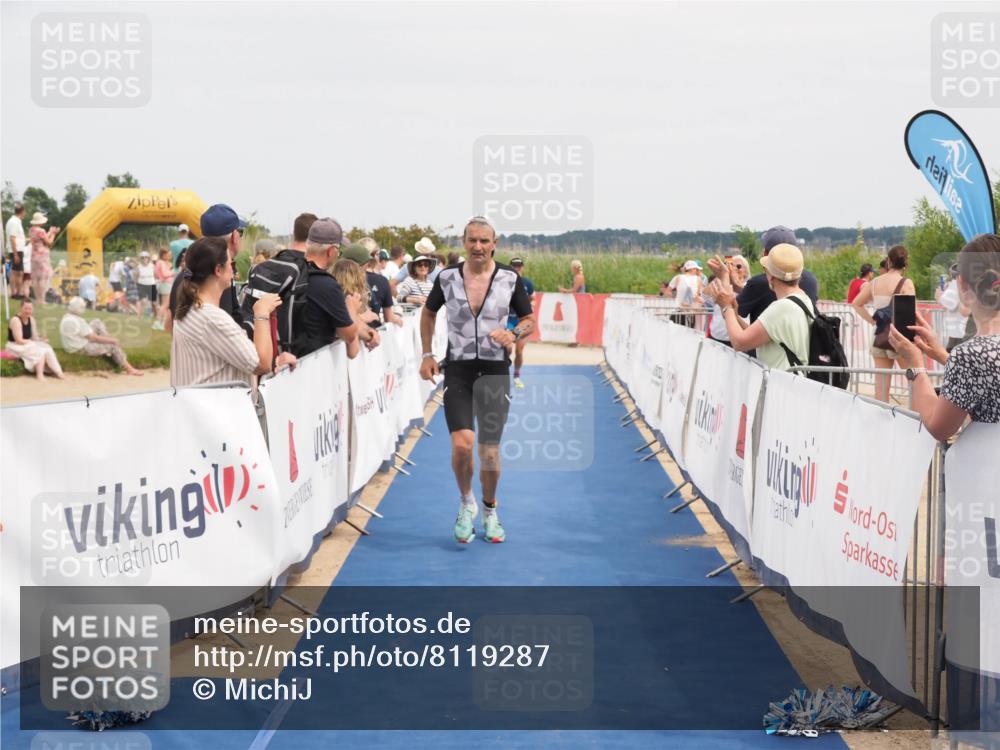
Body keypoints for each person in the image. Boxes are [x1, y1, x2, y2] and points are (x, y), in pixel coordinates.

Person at [419, 216, 535, 544]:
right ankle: (466, 501)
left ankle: (489, 509)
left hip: (495, 372)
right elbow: (428, 313)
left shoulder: (509, 279)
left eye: (485, 241)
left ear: (494, 244)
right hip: (458, 369)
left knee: (489, 452)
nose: (478, 247)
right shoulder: (446, 278)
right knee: (461, 444)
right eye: (473, 240)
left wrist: (513, 333)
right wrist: (427, 354)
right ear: (464, 242)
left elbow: (529, 320)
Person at [888, 234, 1000, 440]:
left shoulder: (970, 356)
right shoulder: (974, 356)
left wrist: (915, 366)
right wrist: (941, 354)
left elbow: (938, 426)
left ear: (963, 285)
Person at [170, 237, 282, 388]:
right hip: (218, 409)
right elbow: (262, 364)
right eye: (231, 264)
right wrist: (261, 313)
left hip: (195, 407)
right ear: (218, 270)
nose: (234, 270)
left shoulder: (188, 309)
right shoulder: (213, 319)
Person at [706, 243, 814, 373]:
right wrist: (733, 314)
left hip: (780, 385)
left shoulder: (781, 308)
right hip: (791, 383)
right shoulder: (803, 299)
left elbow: (739, 343)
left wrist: (727, 308)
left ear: (771, 276)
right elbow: (756, 336)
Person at [167, 203, 248, 332]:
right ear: (234, 236)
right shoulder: (218, 280)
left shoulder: (183, 276)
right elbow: (225, 333)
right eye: (241, 233)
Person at [291, 218, 364, 359]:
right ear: (331, 251)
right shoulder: (327, 285)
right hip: (313, 364)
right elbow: (349, 337)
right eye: (338, 250)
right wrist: (352, 309)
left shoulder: (294, 272)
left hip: (287, 359)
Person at [851, 244, 915, 402]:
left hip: (879, 336)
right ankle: (915, 420)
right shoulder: (906, 283)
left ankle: (880, 420)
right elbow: (911, 314)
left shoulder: (875, 282)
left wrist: (873, 321)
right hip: (899, 337)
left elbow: (856, 303)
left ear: (888, 261)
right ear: (906, 263)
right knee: (914, 380)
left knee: (881, 387)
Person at [737, 226, 819, 324]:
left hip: (765, 339)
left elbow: (737, 312)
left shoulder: (759, 283)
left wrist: (725, 281)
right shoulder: (811, 279)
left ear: (766, 254)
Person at [59, 296, 144, 376]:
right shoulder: (78, 320)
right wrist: (112, 340)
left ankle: (108, 349)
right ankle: (129, 369)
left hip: (72, 344)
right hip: (80, 348)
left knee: (96, 322)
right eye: (82, 307)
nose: (84, 309)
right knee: (112, 345)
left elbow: (88, 335)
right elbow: (93, 338)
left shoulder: (67, 316)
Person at [331, 253, 381, 355]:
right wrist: (370, 335)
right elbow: (353, 350)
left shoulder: (331, 295)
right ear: (358, 278)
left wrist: (369, 332)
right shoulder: (349, 300)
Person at [5, 300, 65, 380]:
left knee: (47, 348)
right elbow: (18, 340)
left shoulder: (31, 319)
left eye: (30, 309)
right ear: (21, 308)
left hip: (26, 344)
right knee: (40, 351)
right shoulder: (16, 320)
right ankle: (40, 375)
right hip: (14, 346)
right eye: (25, 308)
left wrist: (41, 339)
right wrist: (33, 342)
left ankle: (58, 372)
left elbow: (34, 337)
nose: (28, 311)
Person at [704, 255, 749, 346]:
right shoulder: (720, 282)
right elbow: (705, 295)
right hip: (717, 336)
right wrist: (722, 275)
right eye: (731, 266)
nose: (734, 269)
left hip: (739, 336)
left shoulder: (749, 286)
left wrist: (732, 280)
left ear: (746, 271)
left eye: (739, 266)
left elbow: (743, 291)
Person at [508, 257, 535, 388]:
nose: (516, 268)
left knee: (519, 351)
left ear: (522, 267)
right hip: (507, 320)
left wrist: (527, 308)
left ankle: (517, 375)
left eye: (519, 266)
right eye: (514, 266)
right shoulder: (504, 282)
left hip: (521, 321)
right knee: (506, 349)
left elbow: (532, 299)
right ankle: (501, 374)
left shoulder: (527, 283)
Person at [937, 263, 972, 352]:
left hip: (963, 336)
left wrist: (940, 298)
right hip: (957, 335)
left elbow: (964, 311)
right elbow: (949, 306)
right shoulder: (955, 288)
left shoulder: (967, 289)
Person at [29, 212, 60, 302]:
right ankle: (41, 299)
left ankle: (38, 298)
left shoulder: (32, 230)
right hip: (42, 256)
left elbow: (43, 239)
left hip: (34, 256)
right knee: (43, 278)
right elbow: (49, 243)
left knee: (36, 278)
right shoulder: (41, 231)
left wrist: (50, 232)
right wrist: (53, 233)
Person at [669, 260, 705, 328]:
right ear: (692, 269)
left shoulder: (678, 277)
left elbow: (668, 292)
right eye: (696, 269)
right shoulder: (698, 279)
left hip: (677, 310)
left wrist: (677, 298)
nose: (697, 271)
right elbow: (700, 295)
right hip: (690, 312)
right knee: (688, 334)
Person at [6, 203, 26, 299]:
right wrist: (15, 254)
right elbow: (12, 238)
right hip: (16, 250)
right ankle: (17, 292)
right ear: (22, 211)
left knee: (16, 271)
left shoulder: (15, 221)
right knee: (17, 272)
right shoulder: (14, 222)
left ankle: (15, 292)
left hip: (17, 249)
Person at [152, 247, 175, 330]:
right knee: (165, 305)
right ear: (163, 254)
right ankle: (158, 322)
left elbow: (156, 273)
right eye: (168, 254)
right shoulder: (161, 262)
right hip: (165, 284)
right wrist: (173, 273)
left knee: (165, 305)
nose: (169, 256)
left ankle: (161, 322)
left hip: (165, 284)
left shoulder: (160, 262)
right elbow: (165, 274)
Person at [136, 251, 156, 316]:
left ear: (148, 258)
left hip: (151, 284)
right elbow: (136, 276)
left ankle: (155, 314)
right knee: (143, 301)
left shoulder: (152, 266)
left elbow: (156, 275)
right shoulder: (138, 266)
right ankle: (139, 316)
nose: (144, 259)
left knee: (153, 302)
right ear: (140, 259)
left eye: (146, 257)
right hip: (141, 284)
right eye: (142, 257)